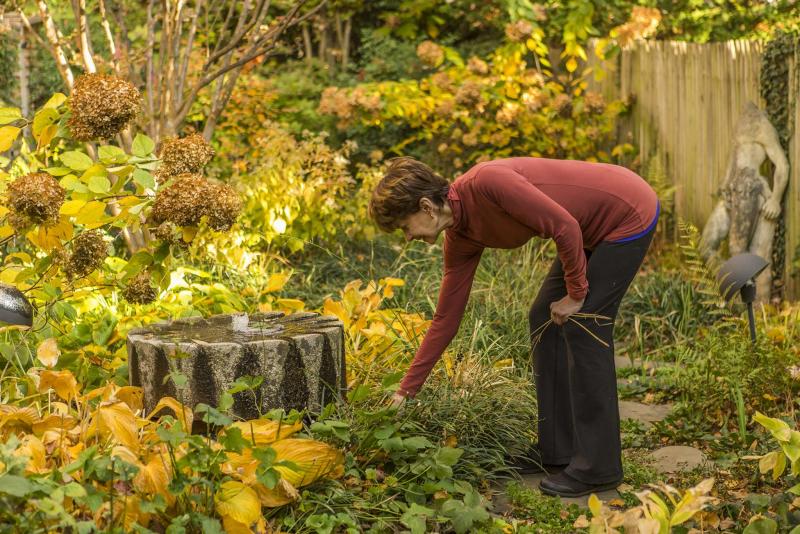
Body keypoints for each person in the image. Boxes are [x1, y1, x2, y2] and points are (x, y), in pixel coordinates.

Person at [368, 156, 659, 498]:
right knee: (542, 318)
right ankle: (556, 450)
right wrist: (406, 392)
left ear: (427, 206)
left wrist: (577, 295)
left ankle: (599, 468)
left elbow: (565, 227)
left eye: (405, 227)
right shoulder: (460, 237)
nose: (408, 237)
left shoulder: (488, 183)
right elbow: (446, 319)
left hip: (627, 210)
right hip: (589, 228)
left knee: (584, 325)